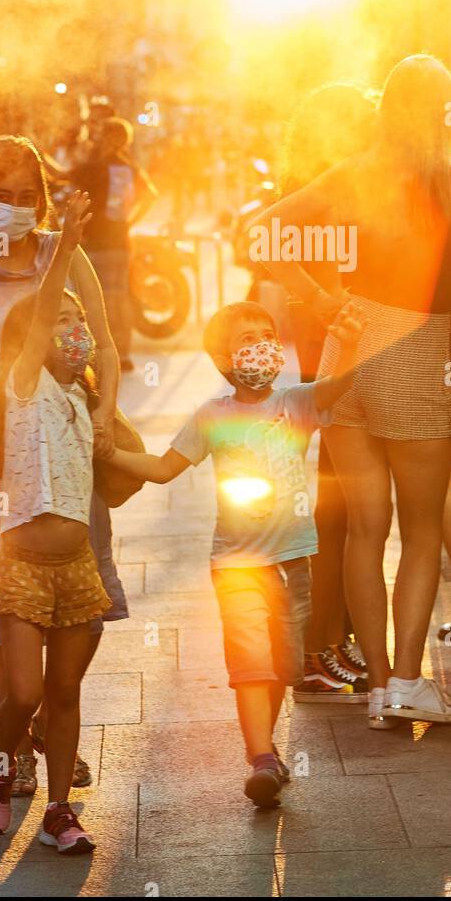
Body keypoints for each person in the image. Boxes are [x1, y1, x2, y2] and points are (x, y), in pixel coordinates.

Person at [254, 55, 451, 729]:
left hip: (346, 347)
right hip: (414, 347)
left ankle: (373, 688)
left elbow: (258, 231)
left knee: (366, 531)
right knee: (421, 531)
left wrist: (318, 298)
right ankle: (405, 682)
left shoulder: (356, 171)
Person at [0, 136, 127, 797]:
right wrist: (6, 438)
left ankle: (47, 729)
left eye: (26, 196)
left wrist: (101, 414)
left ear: (41, 197)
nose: (15, 208)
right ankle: (20, 740)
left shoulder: (62, 254)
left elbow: (108, 346)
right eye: (0, 197)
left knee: (69, 611)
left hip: (64, 463)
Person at [98, 298, 366, 807]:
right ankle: (262, 758)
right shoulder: (212, 416)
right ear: (223, 361)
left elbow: (337, 386)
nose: (261, 345)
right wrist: (110, 454)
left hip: (293, 559)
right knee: (252, 662)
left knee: (284, 665)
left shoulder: (295, 402)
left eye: (267, 334)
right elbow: (162, 468)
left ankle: (268, 749)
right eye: (247, 339)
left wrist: (347, 342)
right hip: (237, 563)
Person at [0, 192, 110, 853]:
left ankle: (60, 809)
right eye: (56, 319)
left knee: (64, 694)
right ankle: (0, 771)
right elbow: (40, 319)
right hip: (25, 565)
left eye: (75, 319)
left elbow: (131, 467)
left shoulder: (82, 400)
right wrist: (62, 251)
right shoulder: (23, 388)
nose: (70, 328)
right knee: (24, 694)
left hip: (76, 569)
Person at [277, 83, 377, 703]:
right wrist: (324, 298)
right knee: (337, 505)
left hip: (337, 341)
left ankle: (330, 641)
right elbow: (267, 244)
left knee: (339, 506)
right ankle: (316, 647)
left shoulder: (329, 180)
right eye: (365, 121)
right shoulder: (327, 184)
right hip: (334, 344)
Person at [71, 116, 157, 371]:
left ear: (108, 137)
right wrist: (130, 221)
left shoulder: (95, 167)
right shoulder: (127, 165)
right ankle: (124, 352)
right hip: (121, 240)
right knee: (121, 295)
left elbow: (61, 176)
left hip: (97, 241)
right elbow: (151, 194)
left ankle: (104, 353)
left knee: (99, 298)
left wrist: (40, 155)